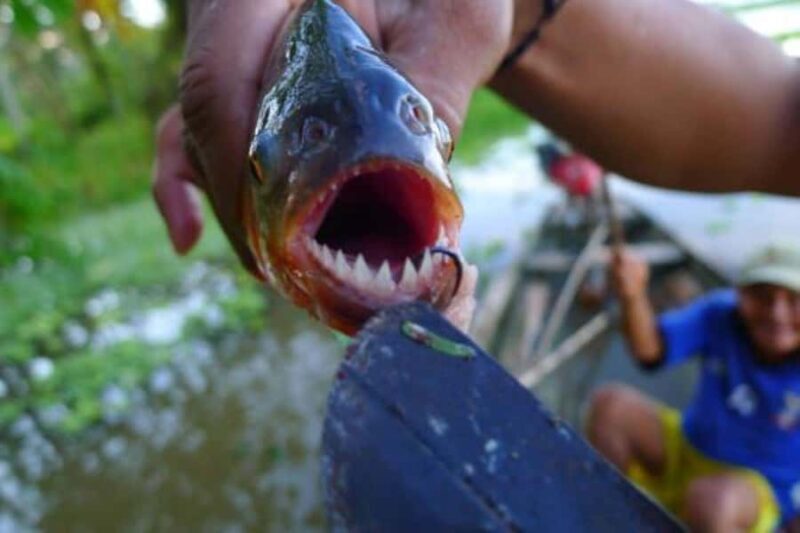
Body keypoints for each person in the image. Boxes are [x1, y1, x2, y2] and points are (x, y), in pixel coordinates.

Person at [588, 243, 800, 532]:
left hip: (756, 493)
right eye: (762, 297)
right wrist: (633, 294)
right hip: (688, 450)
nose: (777, 313)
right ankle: (597, 522)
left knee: (713, 500)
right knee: (610, 407)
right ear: (741, 297)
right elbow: (650, 351)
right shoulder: (720, 314)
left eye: (794, 300)